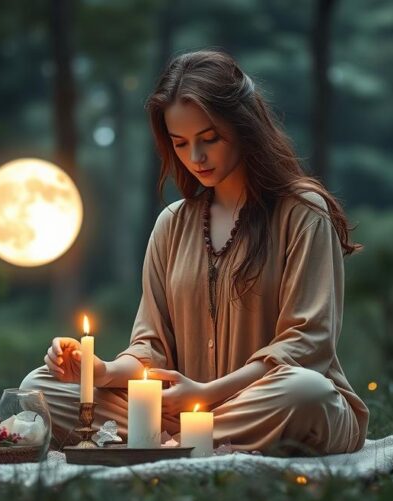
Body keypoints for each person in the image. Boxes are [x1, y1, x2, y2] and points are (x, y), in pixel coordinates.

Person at [19, 50, 369, 455]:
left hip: (273, 403)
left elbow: (307, 345)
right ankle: (184, 442)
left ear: (244, 127)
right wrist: (99, 371)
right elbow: (150, 349)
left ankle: (163, 445)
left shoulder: (303, 211)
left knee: (306, 392)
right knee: (38, 388)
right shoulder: (172, 223)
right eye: (180, 143)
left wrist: (207, 391)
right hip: (178, 411)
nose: (196, 158)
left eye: (209, 139)